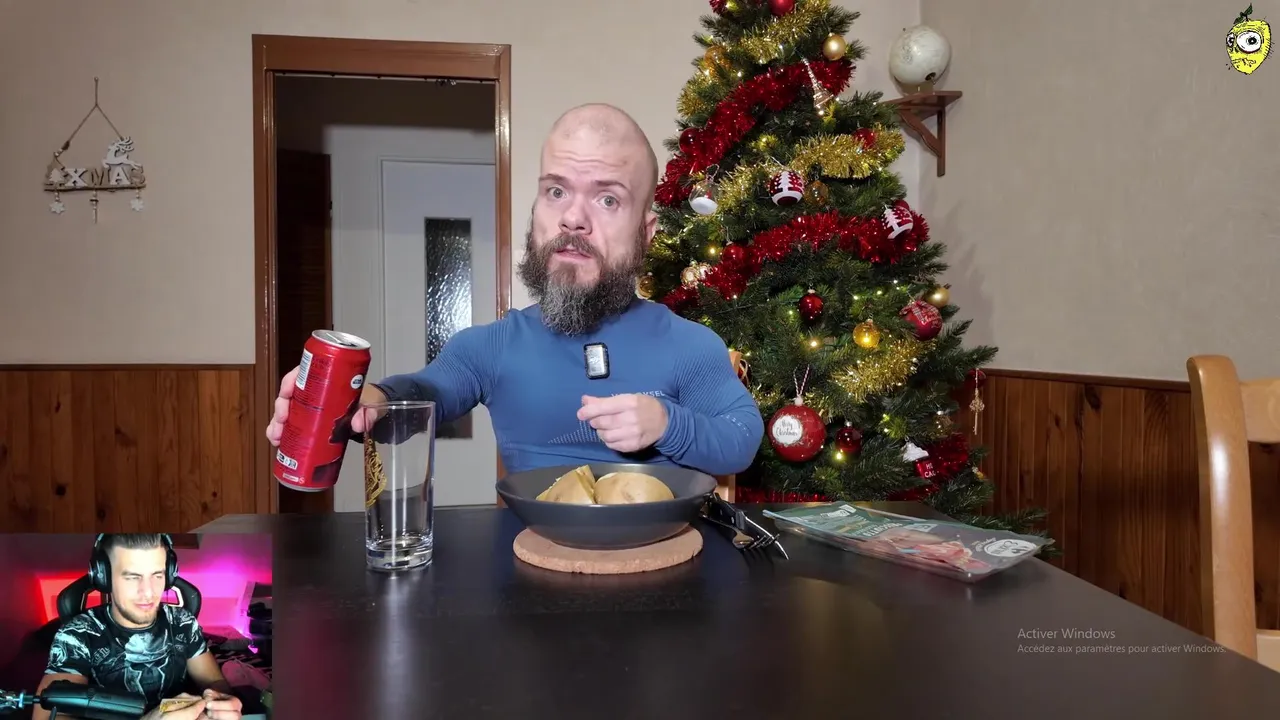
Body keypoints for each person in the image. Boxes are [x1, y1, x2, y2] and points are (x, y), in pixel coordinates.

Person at [266, 103, 764, 477]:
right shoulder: (492, 347)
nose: (573, 218)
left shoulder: (690, 345)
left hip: (666, 570)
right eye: (556, 191)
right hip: (533, 571)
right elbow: (425, 393)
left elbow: (741, 439)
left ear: (646, 232)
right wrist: (364, 401)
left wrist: (667, 424)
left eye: (608, 199)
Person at [34, 534, 243, 720]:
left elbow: (214, 681)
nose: (148, 592)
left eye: (158, 575)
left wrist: (220, 702)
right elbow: (49, 714)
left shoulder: (183, 622)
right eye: (133, 577)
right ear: (104, 577)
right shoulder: (77, 635)